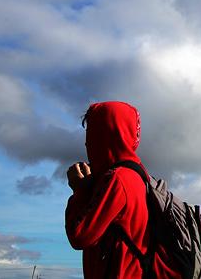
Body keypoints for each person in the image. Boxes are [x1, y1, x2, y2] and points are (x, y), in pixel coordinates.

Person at [65, 101, 178, 278]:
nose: (86, 144)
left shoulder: (117, 179)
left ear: (104, 136)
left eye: (91, 134)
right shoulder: (140, 176)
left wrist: (79, 191)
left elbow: (80, 235)